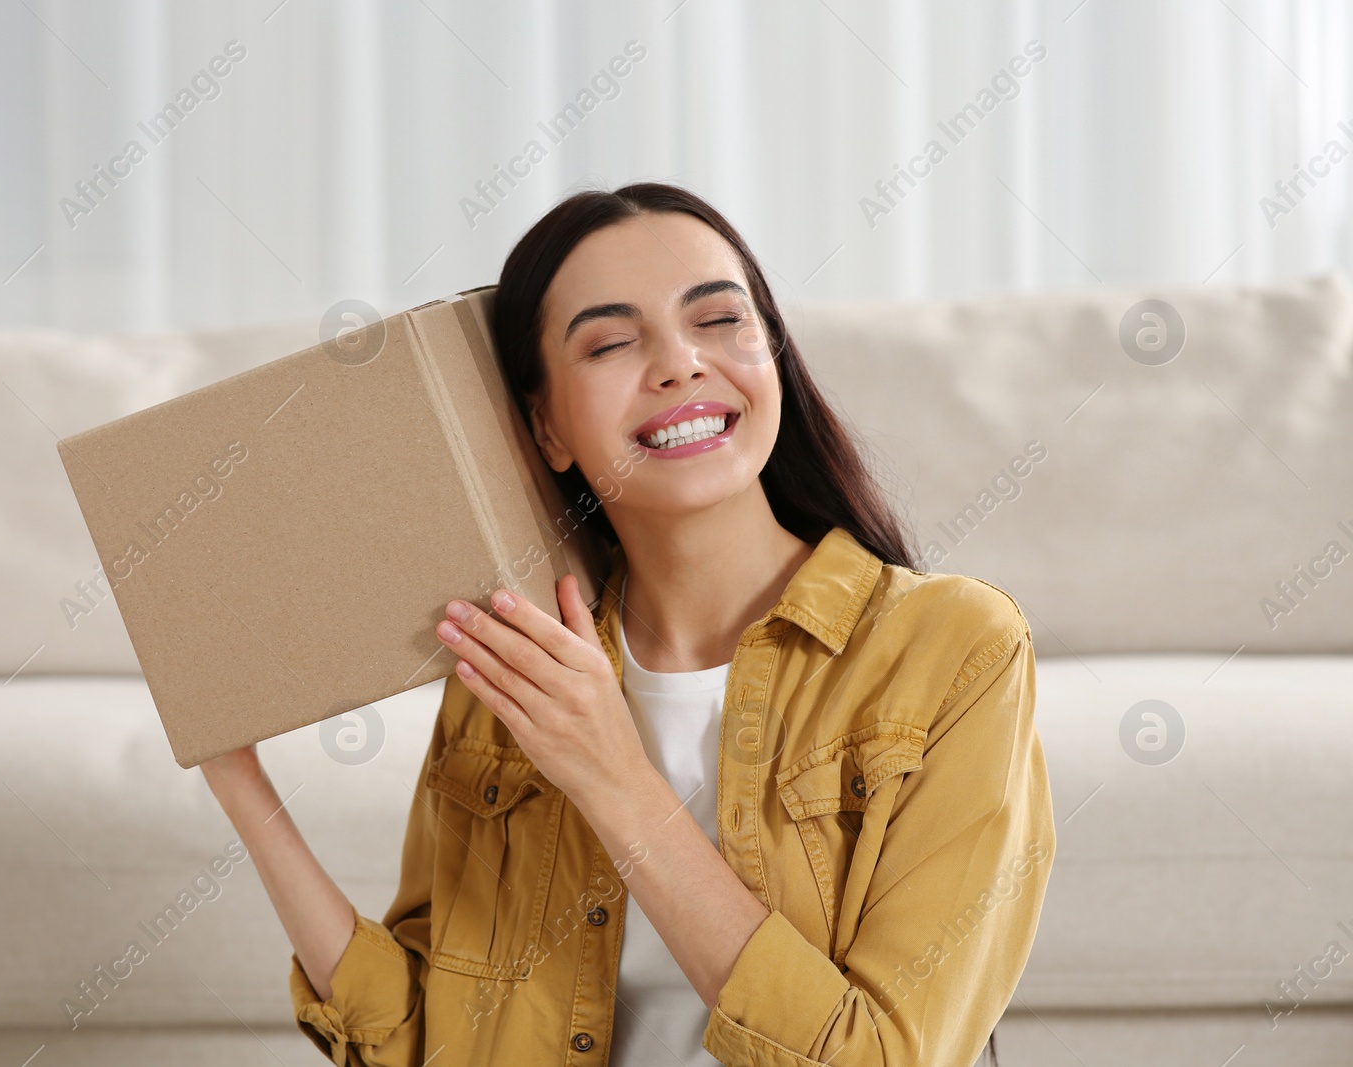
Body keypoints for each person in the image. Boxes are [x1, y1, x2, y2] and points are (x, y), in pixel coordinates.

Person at [200, 181, 1054, 1066]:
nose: (680, 362)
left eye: (721, 320)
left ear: (774, 359)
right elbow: (425, 1042)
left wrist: (612, 774)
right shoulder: (517, 666)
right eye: (611, 341)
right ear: (547, 427)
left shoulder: (956, 648)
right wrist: (239, 783)